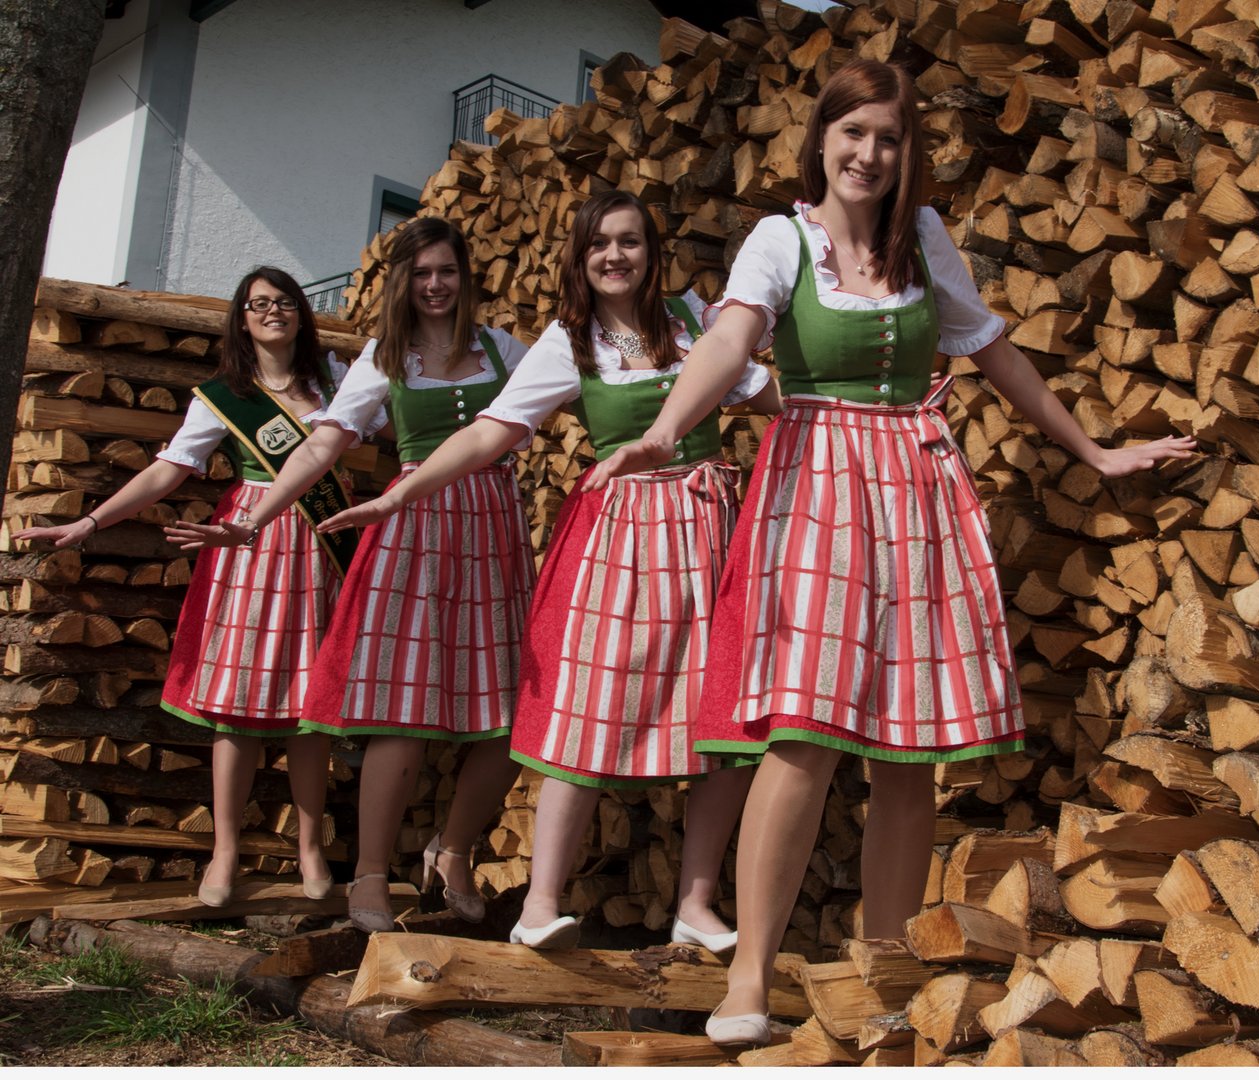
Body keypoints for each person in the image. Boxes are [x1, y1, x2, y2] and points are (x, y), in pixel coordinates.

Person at [589, 59, 1198, 1045]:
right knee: (802, 735)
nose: (869, 153)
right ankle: (747, 975)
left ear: (905, 148)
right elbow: (730, 339)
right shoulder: (781, 238)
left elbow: (991, 348)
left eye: (887, 136)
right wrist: (665, 429)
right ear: (821, 139)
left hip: (913, 489)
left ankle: (884, 976)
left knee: (908, 746)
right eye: (853, 132)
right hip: (814, 486)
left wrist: (1091, 449)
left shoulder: (921, 237)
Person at [319, 190, 782, 950]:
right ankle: (539, 904)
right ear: (579, 257)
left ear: (650, 250)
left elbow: (772, 397)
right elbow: (493, 430)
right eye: (599, 243)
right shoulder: (569, 342)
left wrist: (870, 408)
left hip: (710, 528)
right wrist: (401, 492)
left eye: (629, 241)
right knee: (586, 708)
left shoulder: (695, 320)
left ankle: (695, 903)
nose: (615, 256)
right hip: (621, 533)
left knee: (723, 715)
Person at [169, 218, 534, 932]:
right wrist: (258, 516)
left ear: (466, 277)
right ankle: (368, 873)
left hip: (494, 528)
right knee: (403, 706)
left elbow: (594, 385)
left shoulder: (507, 350)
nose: (435, 285)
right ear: (402, 281)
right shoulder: (383, 358)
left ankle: (454, 848)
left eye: (447, 271)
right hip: (412, 528)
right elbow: (322, 445)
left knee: (510, 710)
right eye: (421, 273)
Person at [19, 266, 360, 907]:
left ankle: (310, 847)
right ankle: (224, 849)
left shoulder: (337, 379)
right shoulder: (224, 395)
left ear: (301, 313)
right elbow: (169, 470)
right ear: (242, 319)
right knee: (236, 705)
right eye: (259, 304)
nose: (274, 312)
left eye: (285, 302)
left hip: (322, 543)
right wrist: (89, 521)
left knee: (310, 706)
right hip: (246, 544)